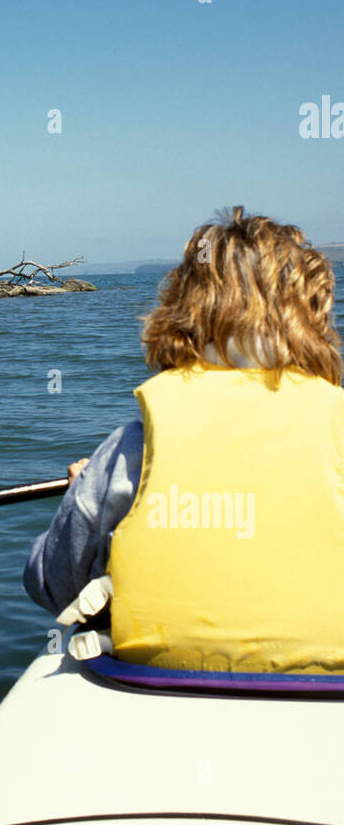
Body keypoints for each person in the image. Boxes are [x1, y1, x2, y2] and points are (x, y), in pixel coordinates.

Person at [24, 206, 344, 673]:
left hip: (153, 679)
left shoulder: (130, 449)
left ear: (182, 314)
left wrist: (82, 493)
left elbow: (52, 586)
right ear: (313, 318)